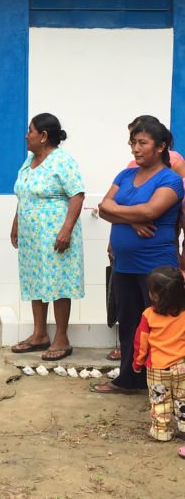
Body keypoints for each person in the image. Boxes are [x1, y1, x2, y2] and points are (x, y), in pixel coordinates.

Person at [94, 119, 184, 394]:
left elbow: (150, 211)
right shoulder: (124, 175)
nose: (135, 148)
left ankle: (165, 385)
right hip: (125, 264)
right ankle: (129, 380)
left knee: (162, 324)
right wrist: (132, 220)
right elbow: (103, 208)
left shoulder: (170, 179)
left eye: (142, 143)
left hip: (157, 267)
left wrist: (119, 213)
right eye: (133, 142)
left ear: (161, 147)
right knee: (130, 324)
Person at [9, 114, 85, 360]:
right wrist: (16, 223)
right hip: (31, 236)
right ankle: (39, 334)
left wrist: (66, 230)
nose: (26, 135)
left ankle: (61, 338)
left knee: (58, 281)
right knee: (35, 279)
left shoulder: (63, 161)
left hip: (55, 234)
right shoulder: (29, 160)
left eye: (30, 130)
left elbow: (77, 195)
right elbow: (24, 193)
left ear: (43, 136)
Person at [132, 265, 185, 443]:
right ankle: (184, 427)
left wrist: (137, 363)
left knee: (160, 400)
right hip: (182, 366)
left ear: (155, 296)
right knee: (183, 398)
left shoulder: (148, 315)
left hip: (158, 369)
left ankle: (160, 431)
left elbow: (141, 343)